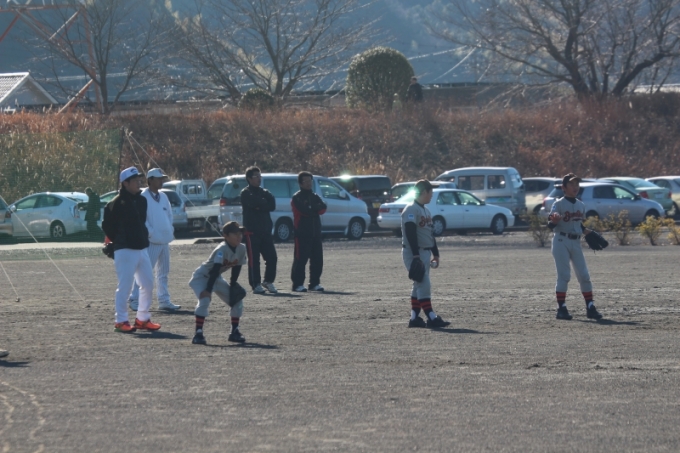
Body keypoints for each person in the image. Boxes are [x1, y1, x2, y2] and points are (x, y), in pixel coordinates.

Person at [101, 167, 161, 333]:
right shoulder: (115, 203)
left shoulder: (142, 200)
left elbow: (141, 222)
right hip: (125, 249)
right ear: (125, 183)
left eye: (138, 179)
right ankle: (120, 321)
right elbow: (107, 226)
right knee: (125, 286)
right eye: (134, 180)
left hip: (142, 248)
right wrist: (119, 239)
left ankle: (142, 318)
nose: (138, 182)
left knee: (148, 284)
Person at [548, 173, 603, 321]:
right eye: (571, 184)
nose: (575, 187)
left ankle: (590, 307)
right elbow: (550, 224)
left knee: (584, 275)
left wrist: (588, 232)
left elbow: (578, 224)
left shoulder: (581, 205)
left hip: (576, 242)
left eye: (576, 184)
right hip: (561, 241)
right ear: (564, 188)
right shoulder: (558, 204)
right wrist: (554, 221)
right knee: (564, 275)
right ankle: (561, 309)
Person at [128, 168, 181, 312]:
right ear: (150, 180)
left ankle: (164, 300)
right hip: (151, 241)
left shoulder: (163, 196)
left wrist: (169, 229)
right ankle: (134, 299)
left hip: (164, 240)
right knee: (144, 271)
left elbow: (169, 215)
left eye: (162, 179)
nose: (161, 181)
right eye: (158, 179)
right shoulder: (143, 196)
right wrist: (151, 233)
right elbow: (142, 218)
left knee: (163, 272)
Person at [189, 221, 248, 345]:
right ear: (225, 236)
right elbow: (215, 269)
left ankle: (234, 332)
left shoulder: (241, 248)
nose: (239, 236)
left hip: (217, 278)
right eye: (235, 234)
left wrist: (233, 284)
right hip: (202, 277)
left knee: (237, 300)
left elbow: (237, 266)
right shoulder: (221, 249)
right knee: (205, 300)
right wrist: (207, 290)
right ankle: (198, 334)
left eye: (240, 233)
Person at [401, 179, 450, 328]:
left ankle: (414, 318)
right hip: (413, 252)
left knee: (418, 283)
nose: (432, 194)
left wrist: (436, 254)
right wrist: (416, 255)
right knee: (424, 283)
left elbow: (429, 234)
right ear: (423, 192)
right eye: (430, 191)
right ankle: (431, 317)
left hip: (425, 252)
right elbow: (410, 233)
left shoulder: (426, 211)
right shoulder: (411, 209)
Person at [240, 166, 278, 294]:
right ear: (249, 179)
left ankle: (268, 281)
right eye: (256, 176)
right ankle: (255, 284)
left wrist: (260, 205)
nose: (259, 178)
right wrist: (262, 204)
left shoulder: (265, 192)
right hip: (252, 232)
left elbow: (272, 205)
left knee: (272, 257)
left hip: (265, 231)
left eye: (260, 176)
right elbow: (253, 203)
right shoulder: (245, 193)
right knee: (254, 260)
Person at [290, 171, 326, 292]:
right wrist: (314, 209)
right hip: (302, 234)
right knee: (300, 259)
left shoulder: (315, 196)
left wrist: (313, 209)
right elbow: (304, 211)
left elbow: (323, 208)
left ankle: (314, 283)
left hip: (316, 233)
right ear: (300, 183)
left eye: (310, 181)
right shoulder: (297, 197)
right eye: (305, 181)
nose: (308, 183)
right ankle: (297, 284)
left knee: (317, 259)